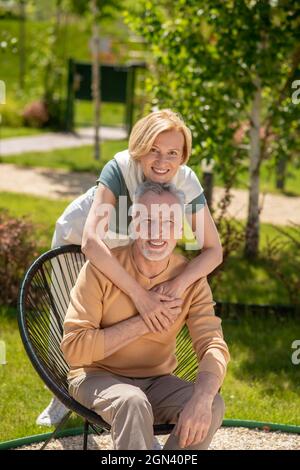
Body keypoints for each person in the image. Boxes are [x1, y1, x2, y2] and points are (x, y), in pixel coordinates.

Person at [36, 109, 223, 431]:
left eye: (172, 153)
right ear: (139, 148)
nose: (163, 161)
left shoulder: (186, 180)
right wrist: (141, 296)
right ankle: (65, 391)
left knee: (120, 308)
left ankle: (123, 394)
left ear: (183, 157)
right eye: (154, 149)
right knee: (71, 312)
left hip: (134, 233)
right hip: (83, 233)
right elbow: (92, 243)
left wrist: (176, 287)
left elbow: (213, 250)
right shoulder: (120, 168)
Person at [61, 181, 230, 450]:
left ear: (180, 229)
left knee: (213, 403)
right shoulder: (100, 270)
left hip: (157, 381)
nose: (157, 232)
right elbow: (74, 349)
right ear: (133, 222)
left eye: (168, 222)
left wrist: (203, 396)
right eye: (147, 220)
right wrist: (144, 320)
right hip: (96, 377)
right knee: (132, 400)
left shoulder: (190, 280)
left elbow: (213, 345)